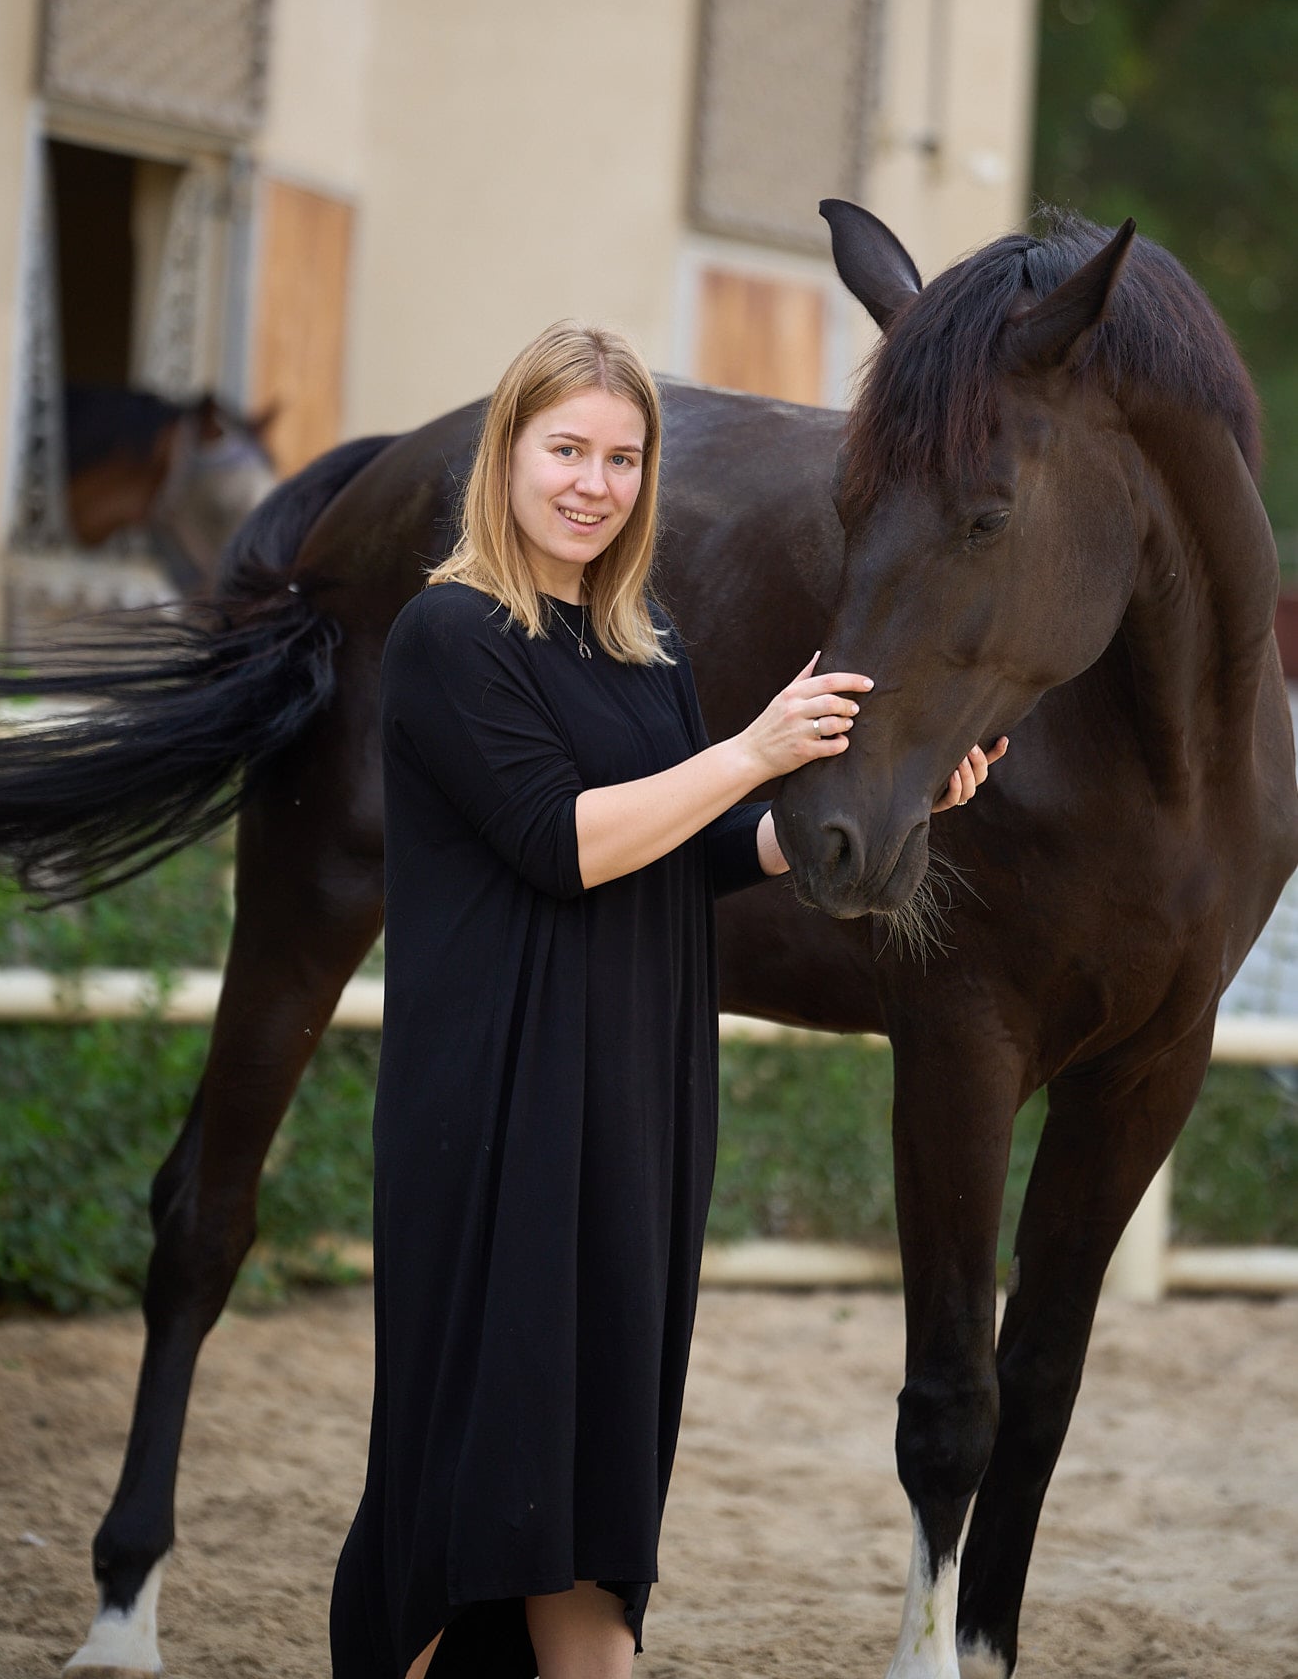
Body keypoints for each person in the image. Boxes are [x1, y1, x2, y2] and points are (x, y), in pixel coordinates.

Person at [329, 322, 1001, 1679]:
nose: (595, 484)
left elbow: (684, 855)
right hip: (498, 1109)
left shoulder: (647, 649)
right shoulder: (449, 633)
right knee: (469, 1475)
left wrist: (887, 805)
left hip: (633, 1108)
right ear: (506, 457)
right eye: (566, 451)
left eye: (622, 459)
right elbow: (560, 840)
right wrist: (753, 750)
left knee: (598, 1487)